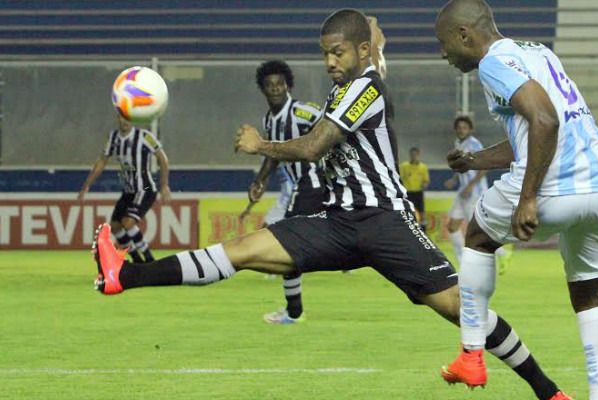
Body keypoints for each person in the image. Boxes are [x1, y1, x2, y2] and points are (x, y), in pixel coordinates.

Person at [91, 9, 571, 400]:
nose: (329, 62)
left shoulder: (363, 89)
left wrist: (262, 146)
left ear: (359, 51)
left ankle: (548, 392)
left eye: (338, 52)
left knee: (459, 308)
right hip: (339, 222)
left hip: (386, 221)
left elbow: (313, 146)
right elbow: (370, 61)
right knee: (240, 250)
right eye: (324, 54)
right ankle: (122, 276)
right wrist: (374, 39)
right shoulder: (353, 84)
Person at [435, 1, 598, 399]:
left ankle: (472, 353)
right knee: (588, 295)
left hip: (554, 186)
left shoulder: (493, 63)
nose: (444, 53)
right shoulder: (538, 52)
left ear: (464, 35)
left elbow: (544, 120)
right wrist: (476, 161)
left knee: (476, 236)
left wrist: (527, 198)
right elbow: (534, 132)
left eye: (444, 43)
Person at [239, 59, 326, 324]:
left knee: (286, 248)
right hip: (300, 189)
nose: (275, 89)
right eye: (270, 85)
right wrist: (261, 181)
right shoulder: (270, 119)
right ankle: (294, 311)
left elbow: (332, 126)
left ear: (288, 85)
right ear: (263, 89)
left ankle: (294, 312)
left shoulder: (303, 112)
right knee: (290, 250)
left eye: (280, 84)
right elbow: (272, 154)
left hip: (313, 186)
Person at [78, 114, 171, 263]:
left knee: (128, 222)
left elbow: (162, 158)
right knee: (115, 227)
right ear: (117, 119)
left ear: (132, 120)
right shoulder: (113, 138)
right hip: (129, 191)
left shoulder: (144, 137)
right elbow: (101, 162)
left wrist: (164, 185)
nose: (124, 121)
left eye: (127, 118)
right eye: (121, 118)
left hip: (145, 189)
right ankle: (137, 261)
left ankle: (149, 259)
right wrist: (86, 186)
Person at [443, 115, 488, 266]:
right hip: (463, 192)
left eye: (464, 128)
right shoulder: (457, 144)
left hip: (474, 192)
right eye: (459, 127)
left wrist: (470, 186)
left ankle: (502, 253)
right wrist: (454, 179)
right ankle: (463, 262)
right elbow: (461, 166)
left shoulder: (475, 144)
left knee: (475, 230)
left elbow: (485, 167)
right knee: (452, 226)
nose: (461, 130)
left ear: (470, 130)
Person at [399, 147, 429, 230]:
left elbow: (426, 180)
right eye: (412, 155)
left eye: (415, 155)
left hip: (418, 193)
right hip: (408, 193)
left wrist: (425, 185)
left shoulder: (423, 167)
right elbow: (400, 178)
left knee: (422, 213)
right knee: (408, 213)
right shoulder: (404, 166)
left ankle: (424, 232)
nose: (414, 156)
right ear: (410, 155)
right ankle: (408, 230)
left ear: (418, 155)